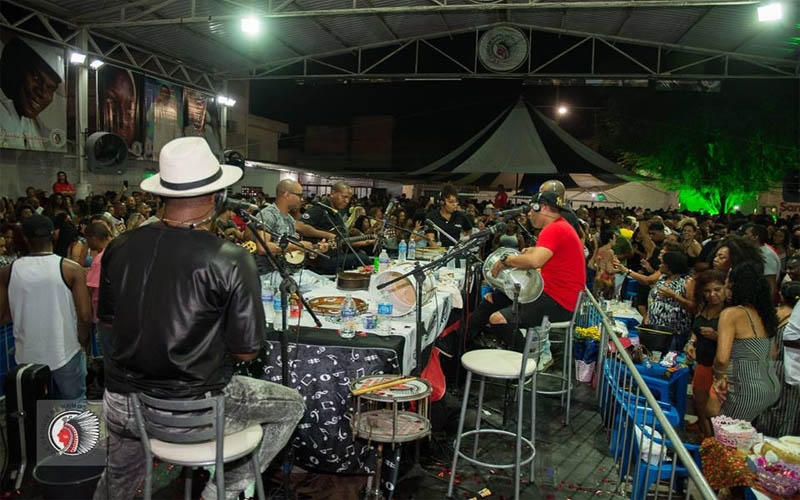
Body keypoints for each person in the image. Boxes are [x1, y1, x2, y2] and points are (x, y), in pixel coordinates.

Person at [92, 137, 304, 500]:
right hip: (191, 412)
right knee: (292, 405)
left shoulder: (121, 245)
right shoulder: (230, 258)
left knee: (118, 480)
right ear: (217, 196)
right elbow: (247, 353)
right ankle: (223, 491)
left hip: (122, 403)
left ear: (162, 193)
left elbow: (109, 323)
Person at [467, 191, 586, 372]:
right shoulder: (561, 226)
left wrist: (505, 260)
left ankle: (528, 363)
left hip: (558, 302)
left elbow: (534, 262)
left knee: (498, 319)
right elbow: (545, 258)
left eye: (532, 209)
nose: (529, 214)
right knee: (490, 301)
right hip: (551, 294)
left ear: (542, 207)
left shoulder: (554, 229)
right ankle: (463, 348)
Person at [0, 215, 91, 400]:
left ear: (25, 238)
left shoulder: (8, 272)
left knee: (34, 415)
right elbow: (84, 315)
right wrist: (84, 344)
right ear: (54, 235)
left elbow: (2, 316)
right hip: (65, 351)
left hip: (26, 355)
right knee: (72, 413)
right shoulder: (71, 269)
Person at [712, 261, 780, 423]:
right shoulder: (765, 314)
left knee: (725, 439)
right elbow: (774, 353)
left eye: (728, 284)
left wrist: (719, 377)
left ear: (737, 287)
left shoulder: (732, 314)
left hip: (746, 389)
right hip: (772, 387)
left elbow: (722, 358)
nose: (726, 287)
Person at [0, 36, 64, 151]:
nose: (43, 94)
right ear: (14, 66)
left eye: (51, 88)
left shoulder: (33, 122)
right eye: (36, 78)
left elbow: (58, 143)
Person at [297, 181, 375, 273]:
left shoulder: (337, 213)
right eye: (344, 197)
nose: (347, 201)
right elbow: (299, 226)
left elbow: (342, 240)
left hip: (335, 256)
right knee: (363, 259)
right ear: (333, 193)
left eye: (349, 198)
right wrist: (327, 235)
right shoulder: (320, 209)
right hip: (321, 259)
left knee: (362, 256)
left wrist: (365, 242)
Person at [684, 269, 726, 438]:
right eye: (707, 291)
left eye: (717, 289)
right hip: (702, 364)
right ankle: (706, 441)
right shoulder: (703, 307)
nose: (712, 295)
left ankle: (713, 444)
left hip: (720, 370)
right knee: (698, 405)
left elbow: (736, 343)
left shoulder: (730, 313)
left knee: (714, 412)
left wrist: (717, 337)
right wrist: (691, 343)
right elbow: (696, 330)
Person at [755, 281, 800, 436]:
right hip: (792, 370)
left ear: (781, 295)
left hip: (770, 368)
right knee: (789, 414)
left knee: (769, 411)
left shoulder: (772, 314)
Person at [424, 184, 473, 248]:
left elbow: (469, 230)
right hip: (437, 253)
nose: (454, 205)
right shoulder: (431, 216)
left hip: (455, 252)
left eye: (456, 202)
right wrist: (441, 253)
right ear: (442, 202)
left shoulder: (461, 216)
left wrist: (464, 243)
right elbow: (431, 239)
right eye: (451, 202)